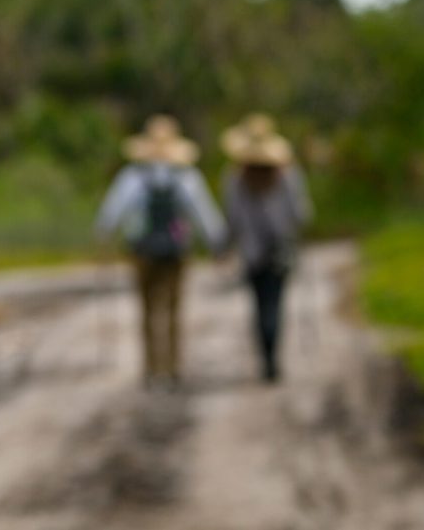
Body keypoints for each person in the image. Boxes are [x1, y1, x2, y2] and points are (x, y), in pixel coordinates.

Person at [97, 115, 227, 386]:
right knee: (173, 310)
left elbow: (113, 211)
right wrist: (217, 242)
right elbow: (204, 213)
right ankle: (173, 366)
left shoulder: (133, 176)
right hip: (176, 252)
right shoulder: (186, 177)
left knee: (147, 311)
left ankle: (151, 368)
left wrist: (104, 238)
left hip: (142, 252)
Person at [221, 114, 312, 383]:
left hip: (251, 252)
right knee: (276, 303)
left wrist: (223, 245)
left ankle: (265, 355)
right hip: (280, 250)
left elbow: (232, 218)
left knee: (260, 304)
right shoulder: (287, 174)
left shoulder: (235, 177)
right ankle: (273, 357)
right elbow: (302, 213)